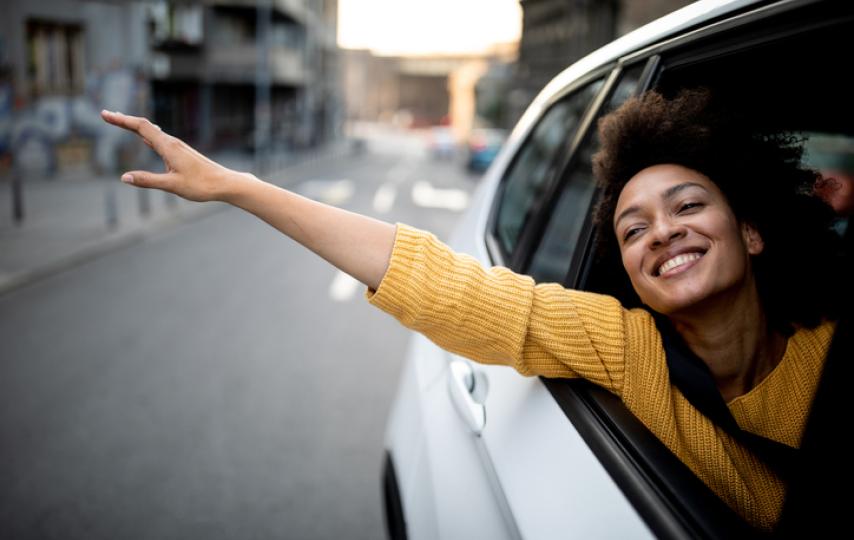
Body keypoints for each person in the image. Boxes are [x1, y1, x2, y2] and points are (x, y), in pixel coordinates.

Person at [99, 88, 844, 533]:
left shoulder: (826, 345)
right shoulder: (626, 346)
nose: (663, 233)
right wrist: (238, 187)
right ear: (630, 275)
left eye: (687, 206)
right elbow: (447, 287)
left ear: (751, 231)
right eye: (633, 229)